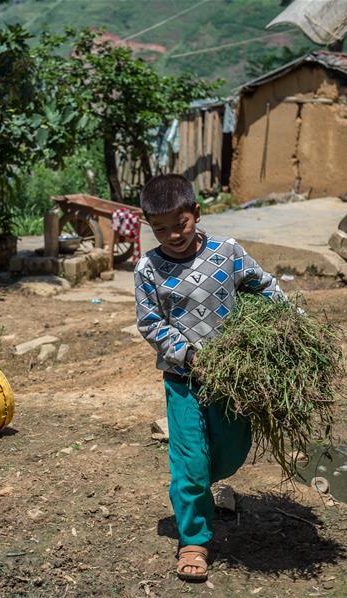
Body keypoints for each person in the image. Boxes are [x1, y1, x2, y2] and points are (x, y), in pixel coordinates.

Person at [134, 174, 285, 582]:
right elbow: (151, 324)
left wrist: (291, 324)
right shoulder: (148, 268)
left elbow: (263, 286)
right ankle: (194, 539)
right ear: (149, 226)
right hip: (183, 379)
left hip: (232, 382)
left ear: (196, 214)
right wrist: (189, 355)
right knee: (190, 462)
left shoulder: (227, 251)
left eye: (179, 224)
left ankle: (199, 484)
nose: (172, 235)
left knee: (233, 450)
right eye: (160, 228)